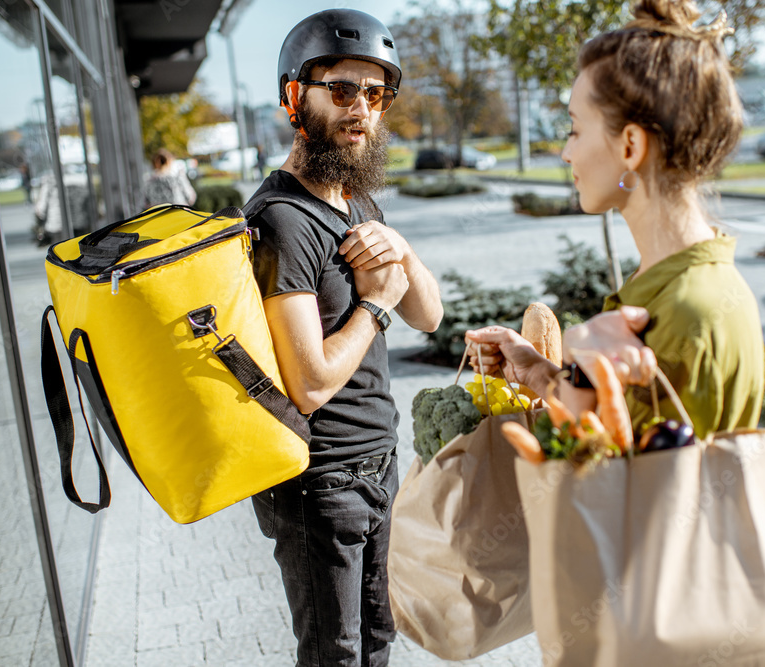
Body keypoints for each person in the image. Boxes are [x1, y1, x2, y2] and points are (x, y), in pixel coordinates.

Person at [244, 9, 443, 667]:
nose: (362, 107)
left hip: (378, 464)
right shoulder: (280, 221)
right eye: (343, 89)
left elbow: (432, 315)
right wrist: (376, 306)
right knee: (337, 654)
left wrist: (402, 251)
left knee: (378, 640)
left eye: (376, 93)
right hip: (319, 484)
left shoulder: (356, 200)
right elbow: (310, 380)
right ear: (295, 97)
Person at [466, 0, 764, 439]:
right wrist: (538, 371)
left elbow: (621, 496)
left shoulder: (688, 315)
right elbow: (617, 441)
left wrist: (578, 350)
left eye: (574, 129)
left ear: (629, 146)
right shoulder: (669, 283)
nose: (566, 152)